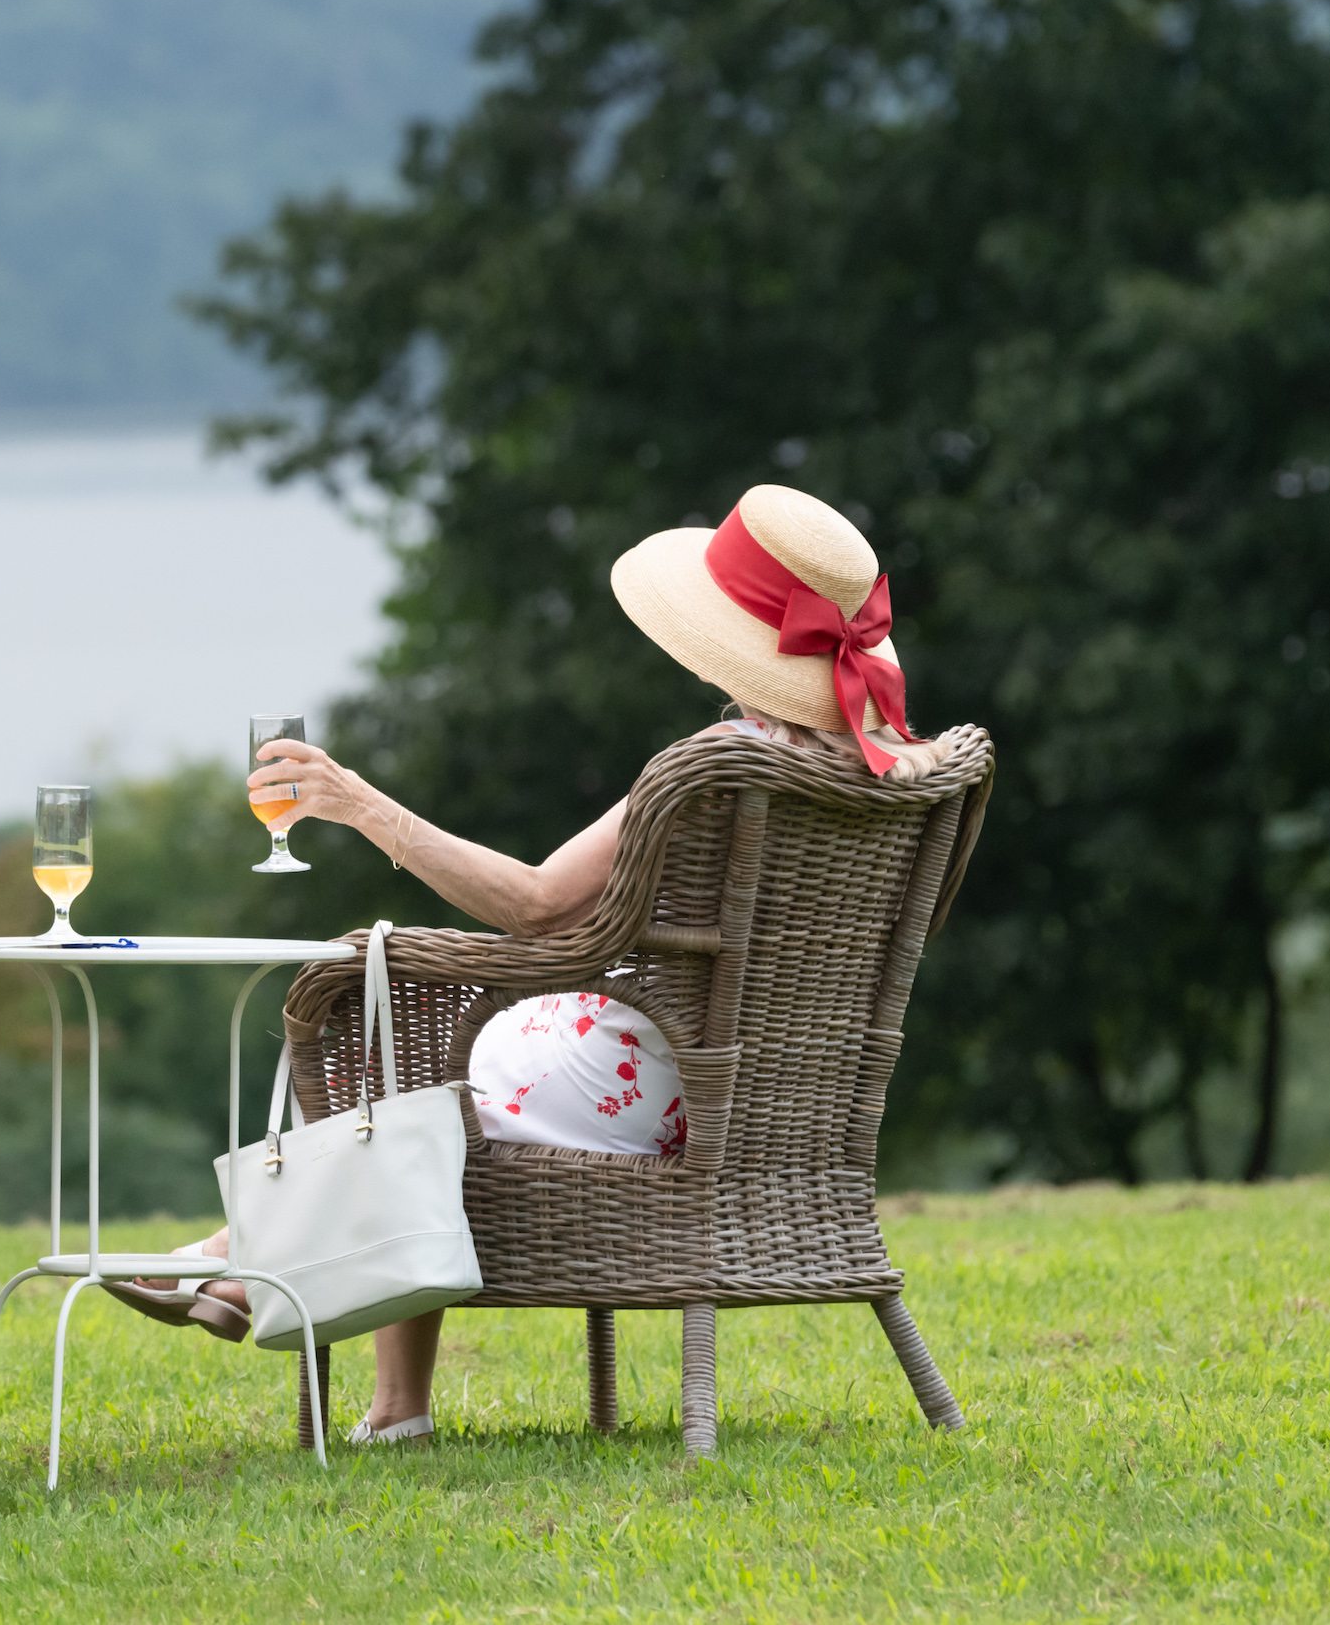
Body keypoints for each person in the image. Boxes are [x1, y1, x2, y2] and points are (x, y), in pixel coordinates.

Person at [108, 483, 946, 1446]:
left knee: (390, 1052)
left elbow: (540, 906)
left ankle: (260, 1283)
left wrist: (361, 803)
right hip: (779, 1085)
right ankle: (244, 1279)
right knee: (421, 1072)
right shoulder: (907, 769)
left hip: (646, 1073)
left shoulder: (721, 760)